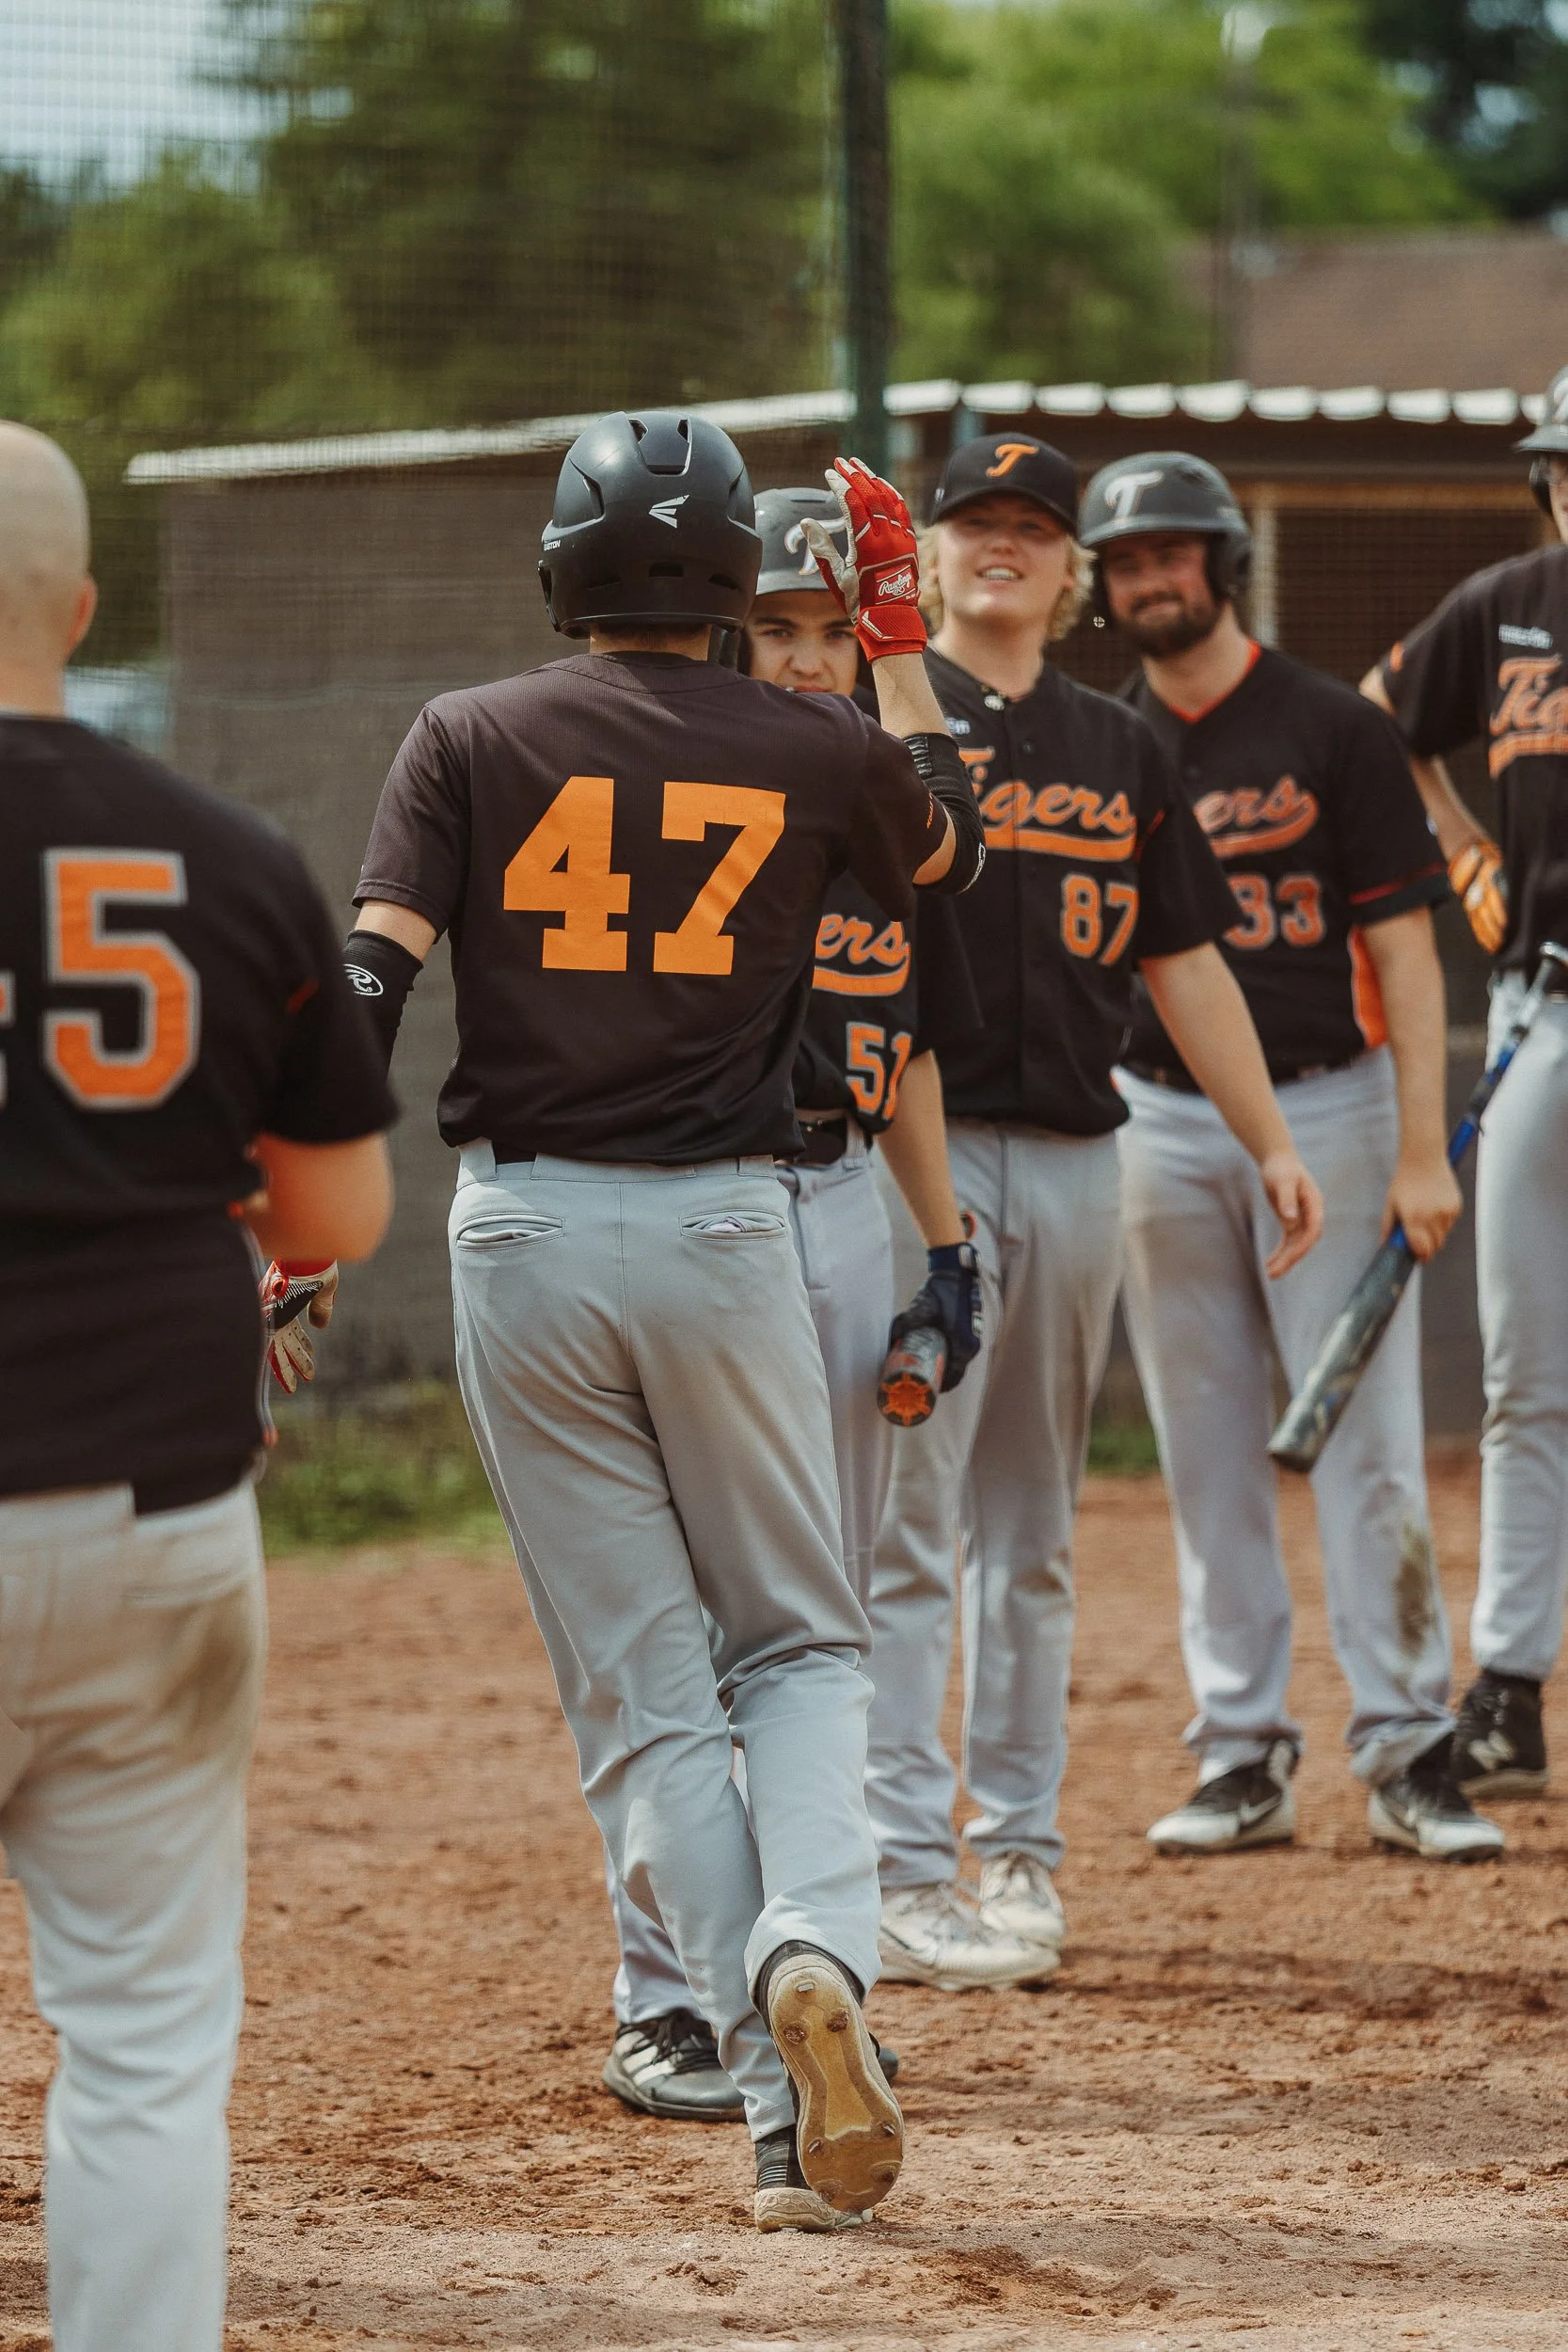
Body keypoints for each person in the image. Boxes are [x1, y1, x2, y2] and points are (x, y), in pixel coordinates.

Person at [342, 415, 984, 2230]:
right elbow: (962, 874)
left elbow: (373, 972)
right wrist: (888, 649)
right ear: (727, 586)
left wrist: (291, 1227)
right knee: (795, 1644)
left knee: (642, 1690)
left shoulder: (467, 733)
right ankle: (820, 1965)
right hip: (725, 1219)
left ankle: (766, 2074)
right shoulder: (812, 738)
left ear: (565, 571)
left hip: (522, 1230)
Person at [0, 421, 395, 2352]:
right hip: (160, 1508)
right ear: (80, 610)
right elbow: (335, 1202)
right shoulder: (229, 855)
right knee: (146, 2041)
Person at [864, 431, 1323, 1994]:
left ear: (1071, 573)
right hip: (903, 1164)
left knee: (1032, 1534)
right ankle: (904, 1866)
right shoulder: (880, 718)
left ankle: (1016, 1852)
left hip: (1073, 1152)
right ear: (927, 555)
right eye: (973, 521)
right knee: (910, 1527)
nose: (1004, 544)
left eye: (1033, 527)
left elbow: (1182, 958)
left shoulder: (1121, 749)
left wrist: (1265, 1137)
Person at [599, 484, 990, 2123]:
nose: (813, 658)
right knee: (686, 1605)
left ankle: (800, 1955)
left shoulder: (854, 789)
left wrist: (946, 1247)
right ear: (714, 628)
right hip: (698, 1200)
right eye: (782, 627)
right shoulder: (676, 777)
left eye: (841, 629)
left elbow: (905, 1030)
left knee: (822, 1597)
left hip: (836, 1197)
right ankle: (664, 1986)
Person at [1082, 449, 1502, 1865]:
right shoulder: (1104, 743)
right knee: (1202, 1451)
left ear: (1221, 563)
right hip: (1158, 1115)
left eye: (1172, 554)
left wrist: (1417, 1153)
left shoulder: (1331, 727)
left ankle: (1403, 1747)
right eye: (1127, 562)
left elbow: (1405, 946)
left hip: (1329, 1100)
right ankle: (1241, 1752)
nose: (1151, 578)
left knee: (1367, 1447)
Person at [1361, 365, 1568, 1804]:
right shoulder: (1508, 606)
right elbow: (1376, 719)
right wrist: (1457, 843)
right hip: (1538, 1011)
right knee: (1522, 1371)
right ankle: (1506, 1689)